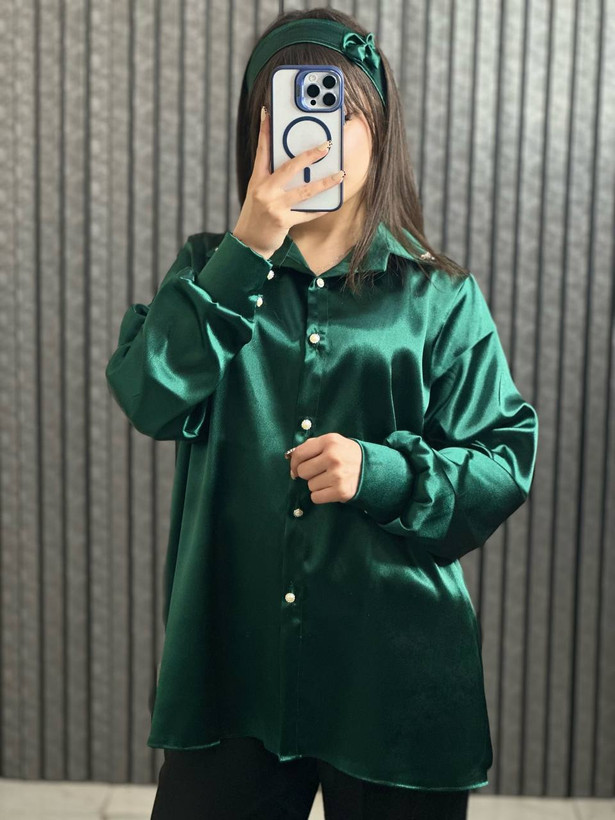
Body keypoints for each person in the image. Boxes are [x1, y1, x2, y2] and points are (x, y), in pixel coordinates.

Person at [105, 8, 539, 820]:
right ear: (256, 131)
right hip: (233, 671)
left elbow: (502, 462)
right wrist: (247, 244)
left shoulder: (439, 297)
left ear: (379, 127)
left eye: (338, 110)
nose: (315, 133)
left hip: (394, 674)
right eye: (290, 112)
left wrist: (380, 471)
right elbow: (148, 396)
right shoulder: (208, 273)